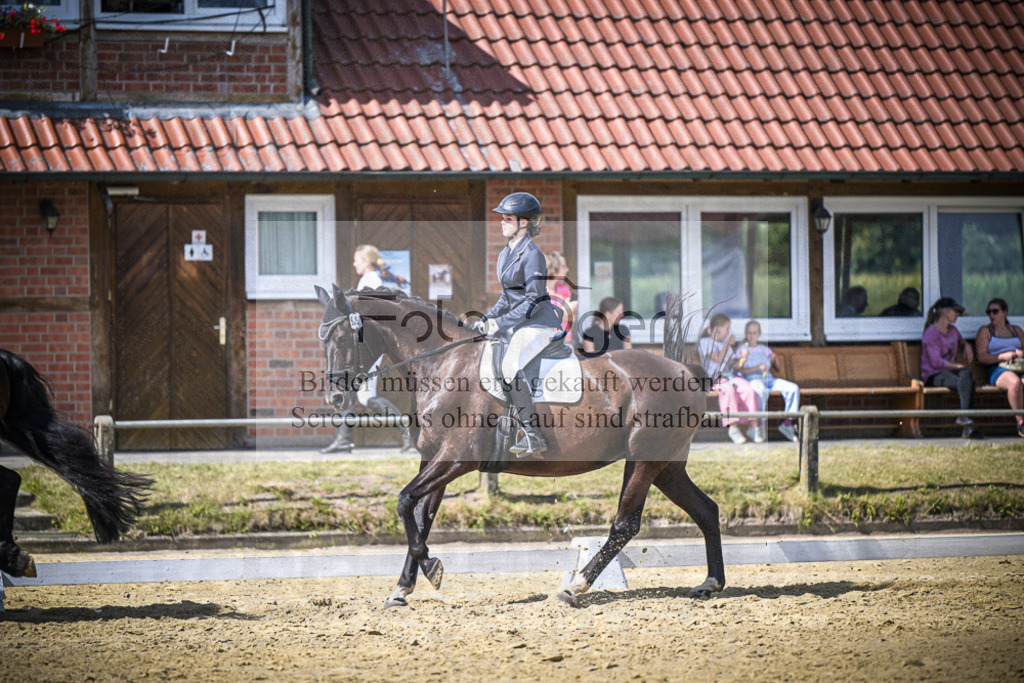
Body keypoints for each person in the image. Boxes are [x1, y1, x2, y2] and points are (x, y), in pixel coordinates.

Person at [472, 192, 563, 457]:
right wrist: (488, 319)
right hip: (520, 323)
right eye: (502, 217)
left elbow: (533, 299)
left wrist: (501, 323)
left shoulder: (533, 255)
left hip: (539, 323)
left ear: (524, 223)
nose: (501, 222)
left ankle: (533, 435)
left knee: (510, 365)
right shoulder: (505, 253)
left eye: (507, 218)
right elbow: (506, 296)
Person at [321, 245, 413, 454]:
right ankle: (345, 439)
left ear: (366, 261)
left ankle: (406, 431)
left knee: (364, 396)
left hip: (366, 349)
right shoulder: (369, 281)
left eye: (357, 260)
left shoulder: (372, 282)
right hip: (363, 347)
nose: (354, 264)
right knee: (358, 393)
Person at [921, 297, 981, 439]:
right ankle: (967, 425)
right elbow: (936, 363)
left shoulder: (953, 330)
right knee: (968, 382)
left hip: (948, 372)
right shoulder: (931, 333)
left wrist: (966, 345)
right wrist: (957, 366)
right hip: (933, 375)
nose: (958, 314)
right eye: (956, 311)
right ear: (945, 312)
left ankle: (965, 418)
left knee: (966, 374)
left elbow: (960, 339)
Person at [698, 313, 761, 444]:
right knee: (728, 390)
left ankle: (753, 427)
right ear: (718, 328)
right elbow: (718, 359)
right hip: (714, 378)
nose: (728, 332)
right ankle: (733, 427)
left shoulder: (725, 345)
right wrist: (727, 344)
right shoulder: (705, 342)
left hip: (730, 377)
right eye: (727, 328)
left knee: (748, 389)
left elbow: (735, 365)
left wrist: (743, 358)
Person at [735, 320, 801, 442]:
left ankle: (788, 423)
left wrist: (774, 359)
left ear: (759, 334)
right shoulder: (742, 350)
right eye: (749, 333)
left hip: (769, 379)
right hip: (753, 379)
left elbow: (777, 368)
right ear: (745, 333)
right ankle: (759, 425)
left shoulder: (764, 349)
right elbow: (740, 371)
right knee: (760, 391)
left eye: (754, 333)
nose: (751, 335)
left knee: (793, 388)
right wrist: (753, 365)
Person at [974, 297, 1024, 438]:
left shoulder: (1016, 330)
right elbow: (982, 357)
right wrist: (1002, 356)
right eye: (988, 312)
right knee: (1015, 383)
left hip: (1019, 366)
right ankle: (1021, 423)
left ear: (1005, 312)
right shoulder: (985, 331)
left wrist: (1020, 353)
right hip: (997, 368)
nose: (991, 315)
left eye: (995, 311)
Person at [545, 251, 577, 343]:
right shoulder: (539, 291)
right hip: (548, 342)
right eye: (563, 266)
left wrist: (557, 313)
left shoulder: (565, 289)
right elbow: (544, 318)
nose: (567, 269)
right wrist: (564, 312)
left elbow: (572, 317)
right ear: (553, 267)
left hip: (566, 340)